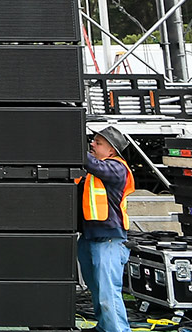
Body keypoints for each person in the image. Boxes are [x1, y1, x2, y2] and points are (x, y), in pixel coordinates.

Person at [78, 126, 135, 332]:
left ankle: (117, 329)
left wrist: (71, 147)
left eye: (98, 142)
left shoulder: (116, 168)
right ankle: (104, 327)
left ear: (111, 151)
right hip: (90, 237)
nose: (92, 144)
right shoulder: (94, 171)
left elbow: (90, 163)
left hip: (109, 240)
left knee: (108, 292)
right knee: (97, 289)